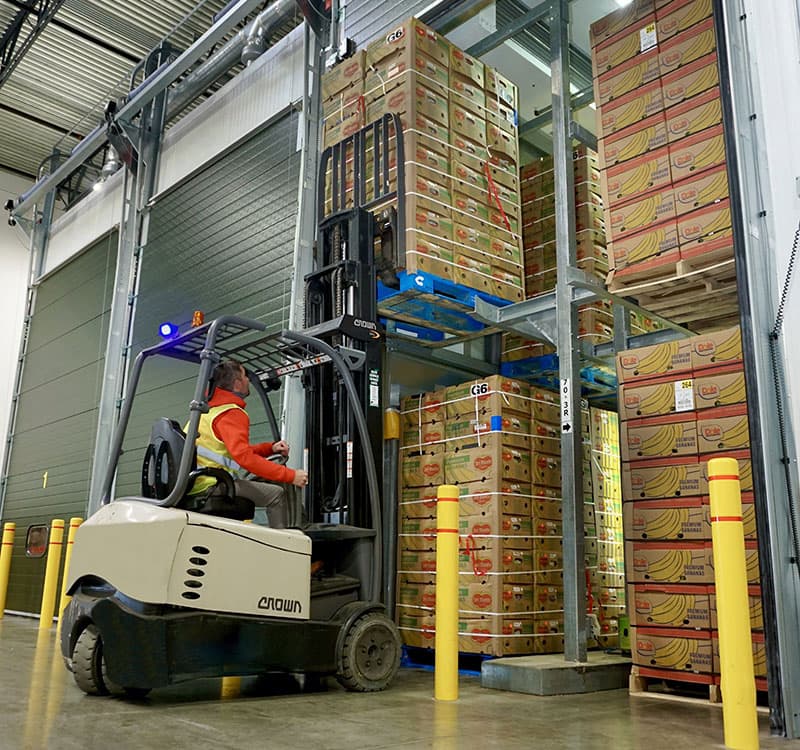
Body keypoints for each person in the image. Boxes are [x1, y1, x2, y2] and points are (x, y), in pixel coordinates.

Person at [188, 359, 308, 528]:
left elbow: (232, 451)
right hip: (212, 485)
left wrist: (269, 448)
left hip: (196, 484)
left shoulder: (207, 412)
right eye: (245, 377)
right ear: (237, 384)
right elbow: (245, 458)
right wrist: (291, 475)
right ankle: (280, 548)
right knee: (277, 494)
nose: (248, 380)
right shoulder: (232, 413)